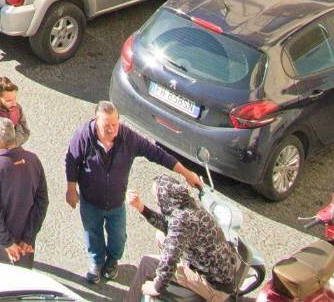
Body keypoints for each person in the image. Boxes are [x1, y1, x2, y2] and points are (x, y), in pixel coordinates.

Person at [65, 101, 202, 286]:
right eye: (107, 126)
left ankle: (112, 262)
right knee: (92, 234)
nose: (112, 129)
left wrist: (187, 174)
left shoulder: (128, 138)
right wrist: (71, 189)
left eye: (115, 124)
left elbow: (157, 153)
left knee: (118, 238)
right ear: (96, 121)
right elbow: (72, 160)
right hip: (90, 201)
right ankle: (96, 263)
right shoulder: (83, 136)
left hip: (115, 203)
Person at [130, 173, 242, 302]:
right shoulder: (188, 205)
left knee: (147, 263)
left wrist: (156, 287)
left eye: (157, 198)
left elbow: (170, 258)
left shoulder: (180, 222)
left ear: (165, 199)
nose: (156, 201)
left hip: (212, 285)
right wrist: (141, 207)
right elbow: (167, 226)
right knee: (161, 236)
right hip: (220, 270)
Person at [0, 118, 48, 268]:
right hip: (26, 237)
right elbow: (42, 201)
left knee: (2, 280)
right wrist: (28, 238)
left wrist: (7, 243)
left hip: (2, 241)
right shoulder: (33, 160)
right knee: (22, 279)